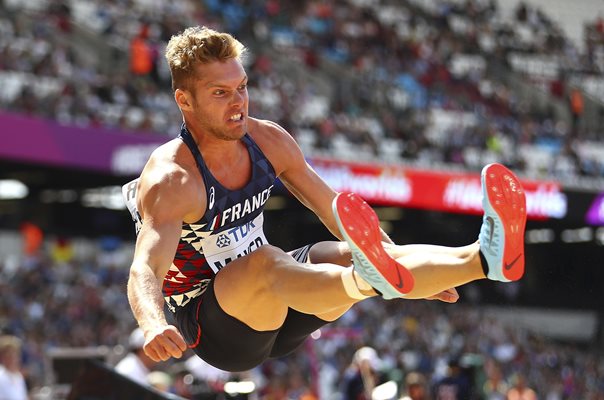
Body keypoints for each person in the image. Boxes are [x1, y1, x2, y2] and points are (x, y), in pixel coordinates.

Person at [122, 26, 527, 373]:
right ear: (185, 100)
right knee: (266, 262)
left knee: (346, 253)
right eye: (220, 92)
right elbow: (145, 267)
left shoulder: (269, 141)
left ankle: (483, 258)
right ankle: (368, 281)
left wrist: (405, 269)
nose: (238, 102)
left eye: (242, 87)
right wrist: (153, 323)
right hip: (217, 330)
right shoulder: (173, 178)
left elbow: (334, 208)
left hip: (284, 301)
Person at [0, 335, 28, 400]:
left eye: (15, 355)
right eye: (9, 355)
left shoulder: (18, 376)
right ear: (2, 357)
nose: (13, 359)